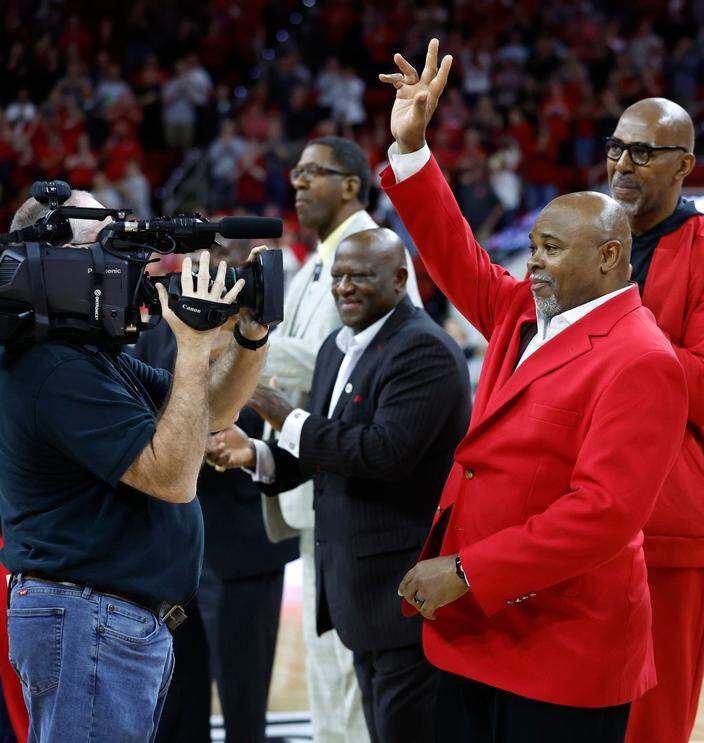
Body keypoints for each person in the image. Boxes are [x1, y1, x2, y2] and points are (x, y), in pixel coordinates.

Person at [378, 40, 688, 742]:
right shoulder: (523, 308)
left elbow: (602, 514)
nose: (533, 261)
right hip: (478, 631)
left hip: (562, 647)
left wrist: (466, 568)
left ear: (610, 256)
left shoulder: (643, 359)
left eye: (551, 248)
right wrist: (412, 149)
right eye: (534, 246)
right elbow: (455, 252)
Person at [0, 193, 270, 742]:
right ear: (51, 260)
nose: (125, 263)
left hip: (101, 621)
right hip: (86, 620)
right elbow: (171, 479)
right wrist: (192, 347)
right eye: (107, 246)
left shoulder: (88, 354)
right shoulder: (53, 367)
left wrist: (249, 334)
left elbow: (211, 415)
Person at [210, 228, 470, 743]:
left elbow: (382, 454)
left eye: (361, 276)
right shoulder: (337, 345)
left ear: (400, 280)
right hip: (357, 596)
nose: (345, 288)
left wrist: (285, 415)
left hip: (406, 596)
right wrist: (257, 454)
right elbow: (323, 453)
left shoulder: (424, 350)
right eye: (338, 277)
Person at [261, 135, 421, 743]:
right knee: (330, 675)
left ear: (352, 185)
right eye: (295, 172)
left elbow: (325, 363)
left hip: (354, 488)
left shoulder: (364, 259)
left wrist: (239, 344)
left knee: (350, 679)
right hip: (319, 480)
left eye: (313, 173)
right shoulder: (315, 261)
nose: (298, 183)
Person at [604, 97, 704, 743]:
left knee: (654, 726)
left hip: (668, 521)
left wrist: (614, 334)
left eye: (642, 151)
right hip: (569, 514)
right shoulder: (588, 240)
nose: (622, 164)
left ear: (684, 164)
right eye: (615, 147)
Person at [130, 239, 299, 743]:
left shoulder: (273, 332)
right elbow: (141, 410)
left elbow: (302, 428)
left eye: (242, 257)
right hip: (176, 551)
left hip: (246, 549)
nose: (227, 264)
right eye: (219, 252)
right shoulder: (163, 324)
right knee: (177, 709)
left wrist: (248, 448)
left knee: (245, 710)